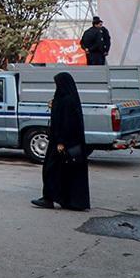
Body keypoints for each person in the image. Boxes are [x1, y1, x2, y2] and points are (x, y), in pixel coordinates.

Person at [32, 73, 90, 210]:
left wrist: (61, 142)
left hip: (62, 143)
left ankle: (49, 198)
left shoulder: (67, 101)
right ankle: (66, 200)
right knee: (61, 171)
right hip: (61, 141)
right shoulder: (65, 98)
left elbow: (68, 123)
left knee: (51, 170)